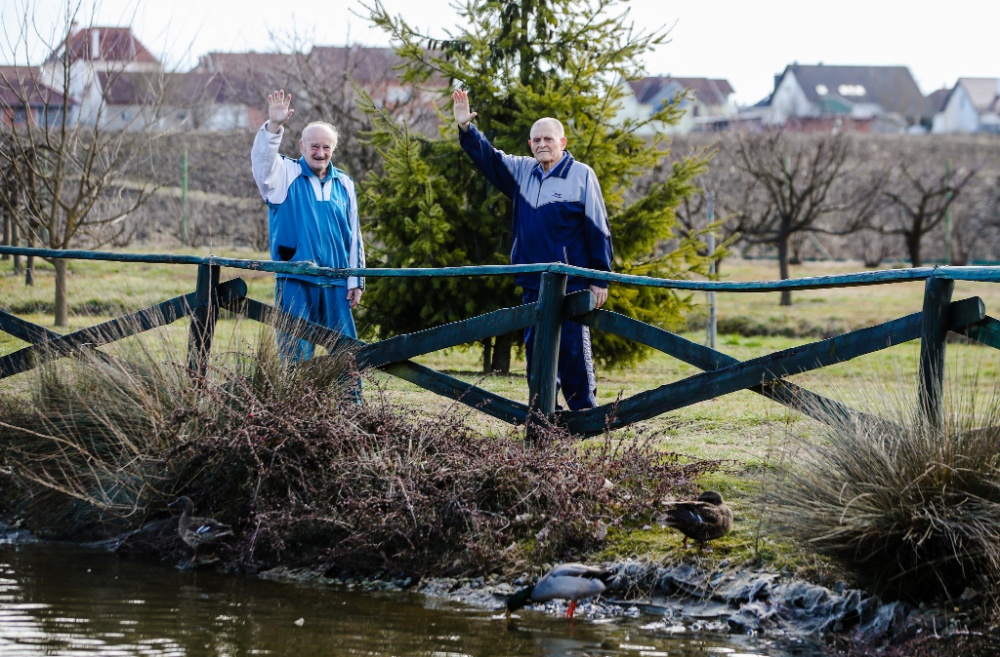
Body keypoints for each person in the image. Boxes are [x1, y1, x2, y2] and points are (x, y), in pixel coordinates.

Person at [452, 89, 613, 410]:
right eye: (536, 140)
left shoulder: (581, 175)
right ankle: (542, 425)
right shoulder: (522, 171)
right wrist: (466, 129)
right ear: (530, 145)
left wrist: (600, 278)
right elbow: (489, 158)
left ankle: (586, 419)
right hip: (532, 284)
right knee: (537, 358)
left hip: (573, 286)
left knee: (573, 358)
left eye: (548, 139)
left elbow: (598, 228)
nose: (542, 144)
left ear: (562, 143)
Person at [251, 90, 365, 362]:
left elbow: (354, 237)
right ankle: (297, 406)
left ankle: (351, 406)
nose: (320, 152)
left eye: (326, 147)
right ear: (302, 146)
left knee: (346, 355)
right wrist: (274, 126)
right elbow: (262, 163)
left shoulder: (345, 184)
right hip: (296, 279)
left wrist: (356, 280)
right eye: (314, 146)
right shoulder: (283, 174)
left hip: (337, 282)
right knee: (295, 355)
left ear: (333, 149)